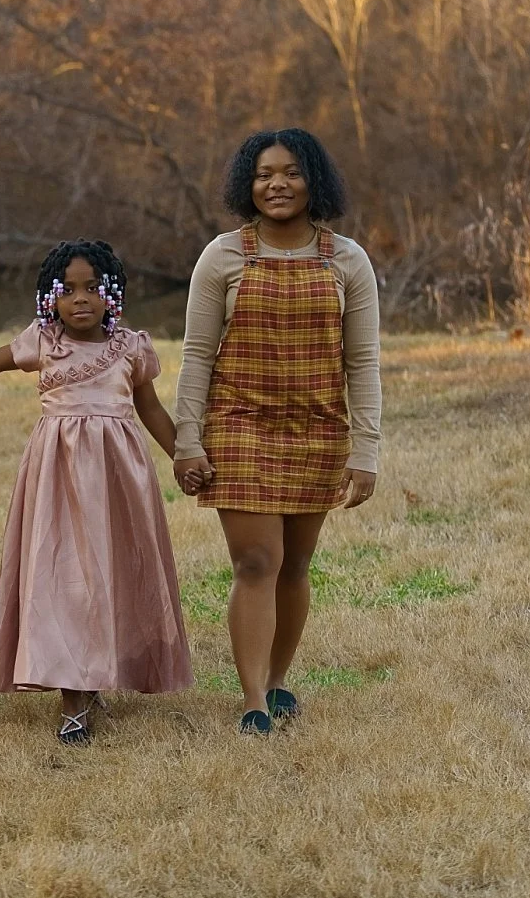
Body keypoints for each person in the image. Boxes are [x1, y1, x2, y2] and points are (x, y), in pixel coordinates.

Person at [0, 240, 192, 745]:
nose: (80, 299)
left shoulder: (131, 348)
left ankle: (96, 677)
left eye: (93, 287)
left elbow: (151, 409)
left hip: (117, 481)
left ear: (113, 294)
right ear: (49, 298)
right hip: (57, 478)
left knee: (109, 577)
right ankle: (74, 702)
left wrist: (183, 456)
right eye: (66, 290)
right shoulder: (44, 342)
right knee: (65, 578)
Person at [172, 128, 382, 735]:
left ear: (314, 180)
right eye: (265, 174)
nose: (277, 184)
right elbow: (197, 355)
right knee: (257, 562)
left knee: (295, 564)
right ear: (248, 183)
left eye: (291, 172)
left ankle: (278, 679)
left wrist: (365, 450)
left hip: (318, 431)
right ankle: (252, 701)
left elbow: (362, 363)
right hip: (239, 429)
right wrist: (190, 439)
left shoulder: (347, 260)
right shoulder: (223, 256)